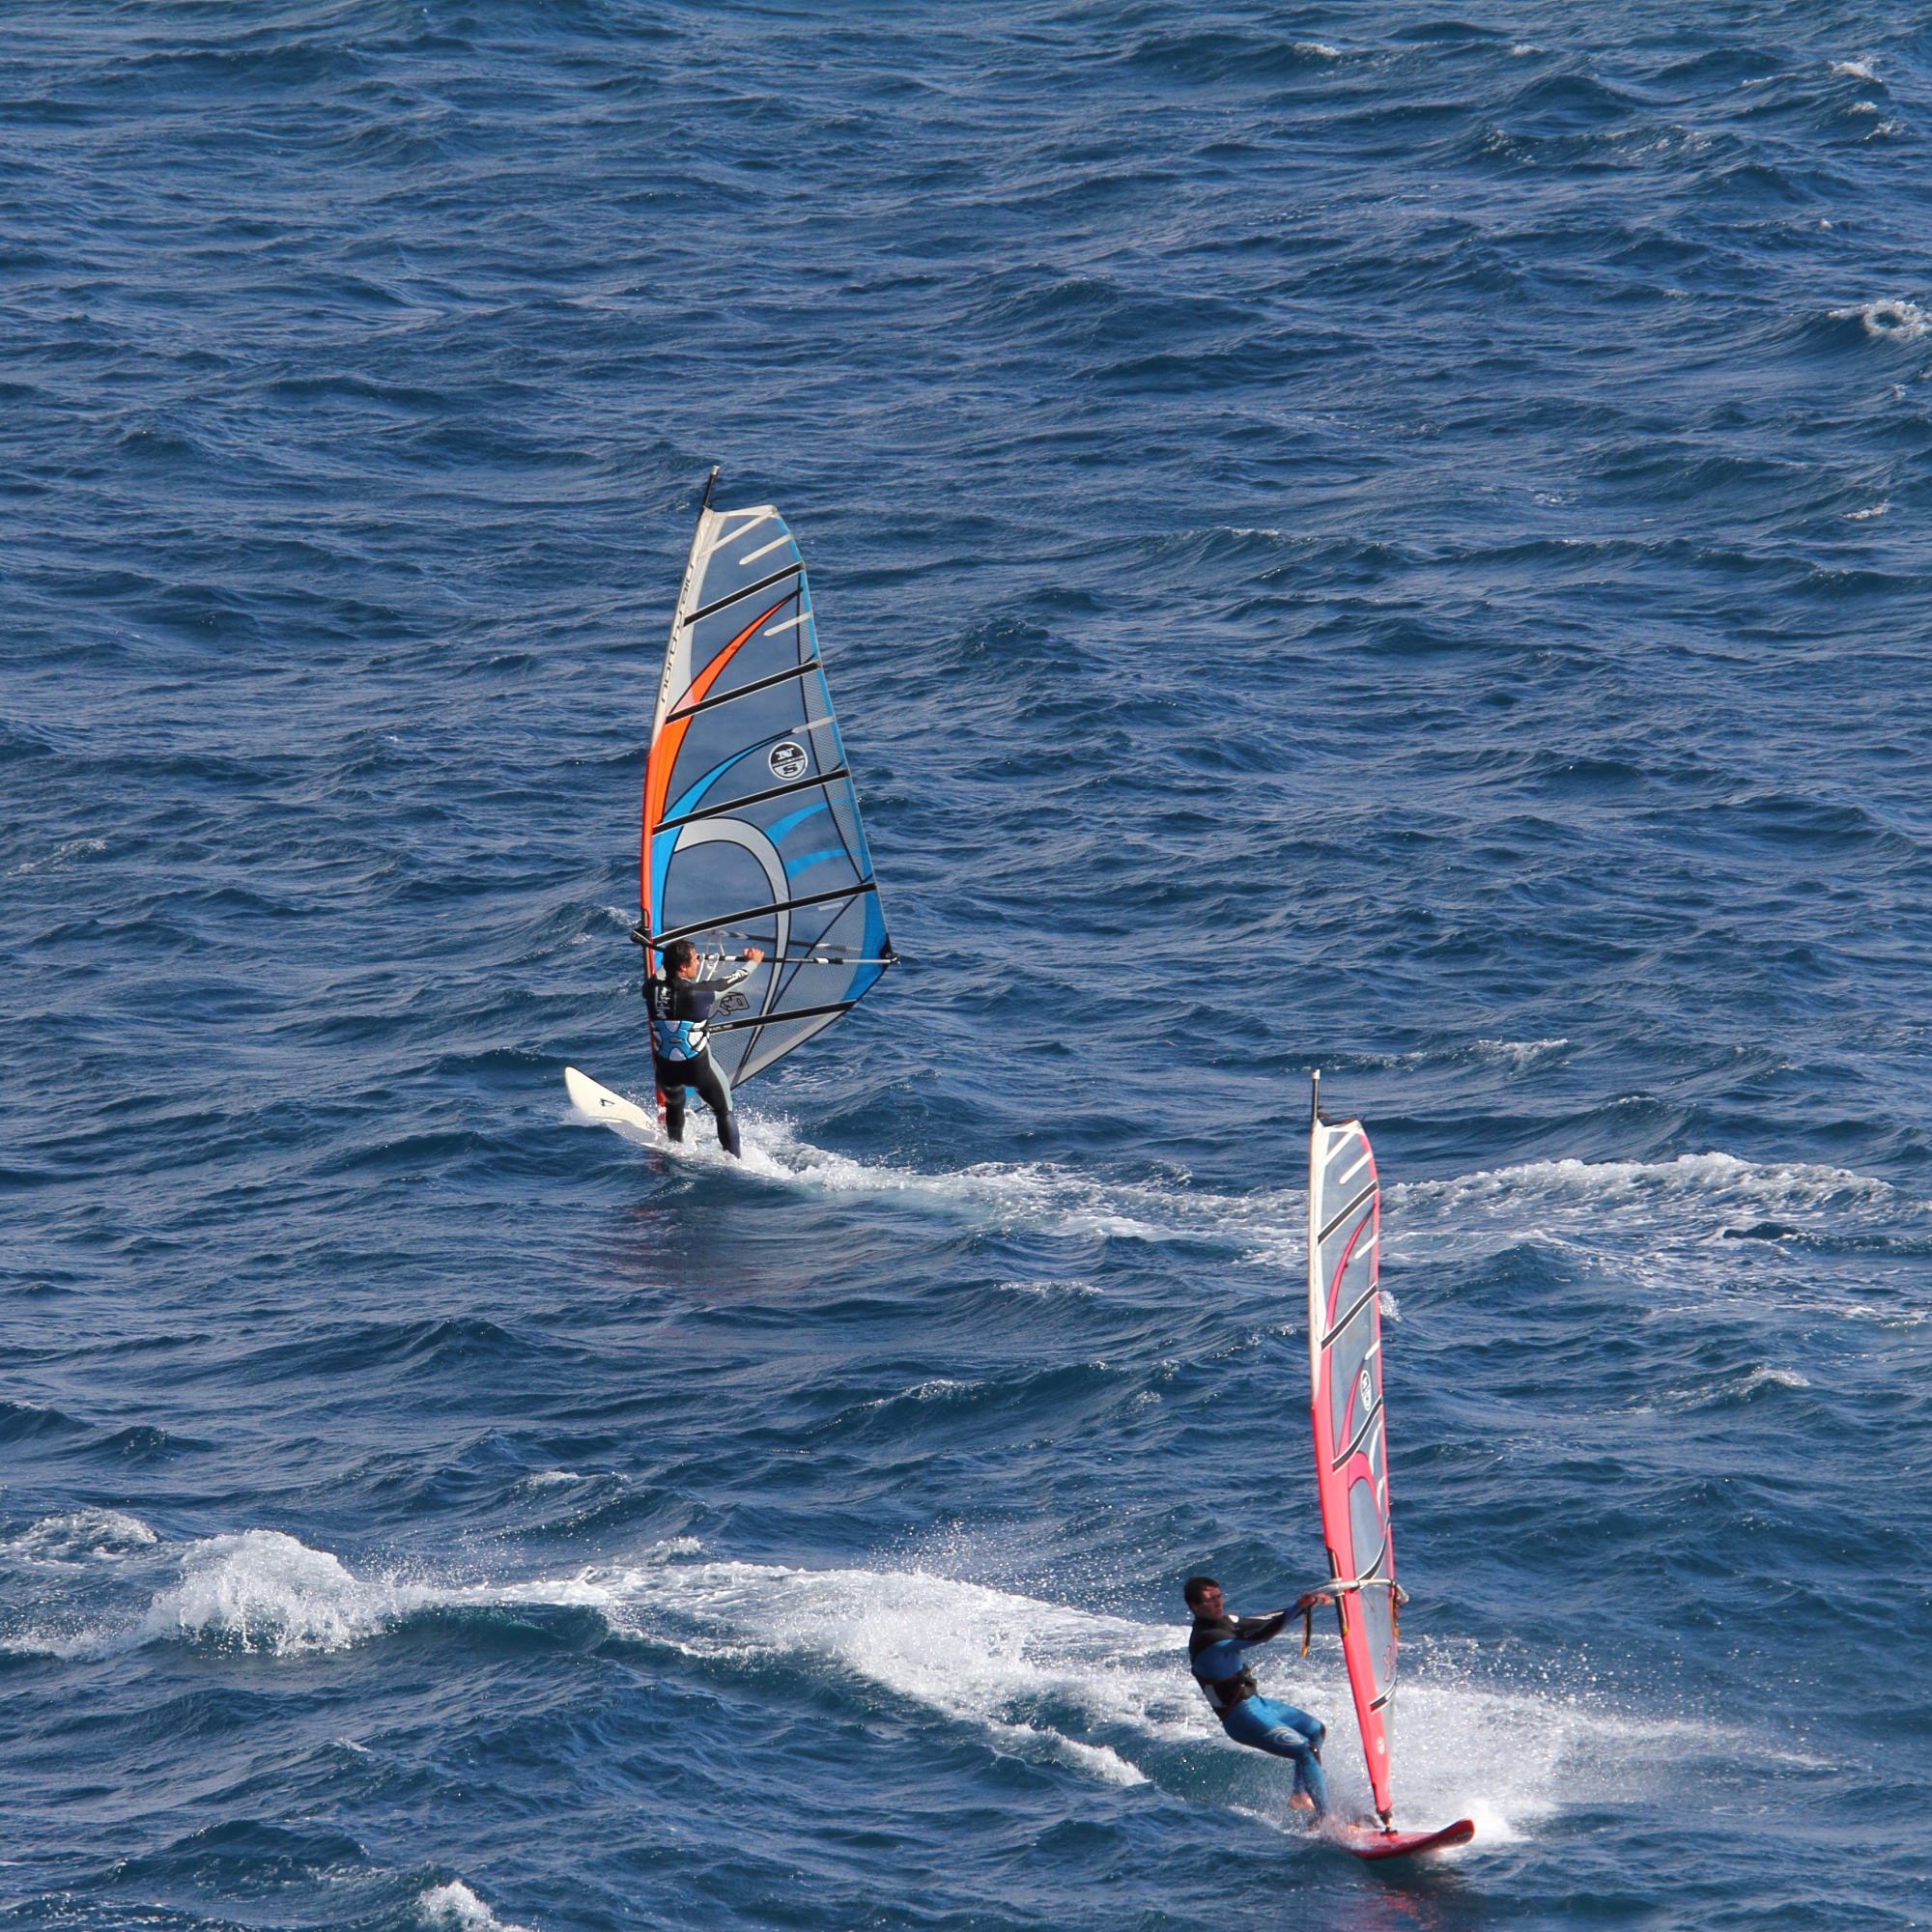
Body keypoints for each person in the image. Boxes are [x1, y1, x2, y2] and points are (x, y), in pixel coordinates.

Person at [1184, 1575, 1333, 1816]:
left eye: (1219, 1596)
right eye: (1211, 1600)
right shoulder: (1207, 1639)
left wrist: (1303, 1605)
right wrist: (1297, 1607)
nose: (1218, 1602)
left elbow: (1264, 1621)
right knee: (1307, 1752)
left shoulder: (1225, 1622)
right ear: (1195, 1606)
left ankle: (1299, 1794)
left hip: (1256, 1704)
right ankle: (1330, 1822)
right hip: (1240, 1717)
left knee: (1315, 1731)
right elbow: (1259, 1637)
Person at [640, 935, 765, 1156]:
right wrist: (753, 962)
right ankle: (735, 1162)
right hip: (699, 1070)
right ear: (682, 966)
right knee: (723, 1111)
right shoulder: (702, 993)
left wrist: (668, 960)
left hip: (666, 1071)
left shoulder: (650, 990)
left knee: (674, 1104)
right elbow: (735, 979)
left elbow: (660, 974)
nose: (699, 963)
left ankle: (674, 1151)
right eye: (695, 959)